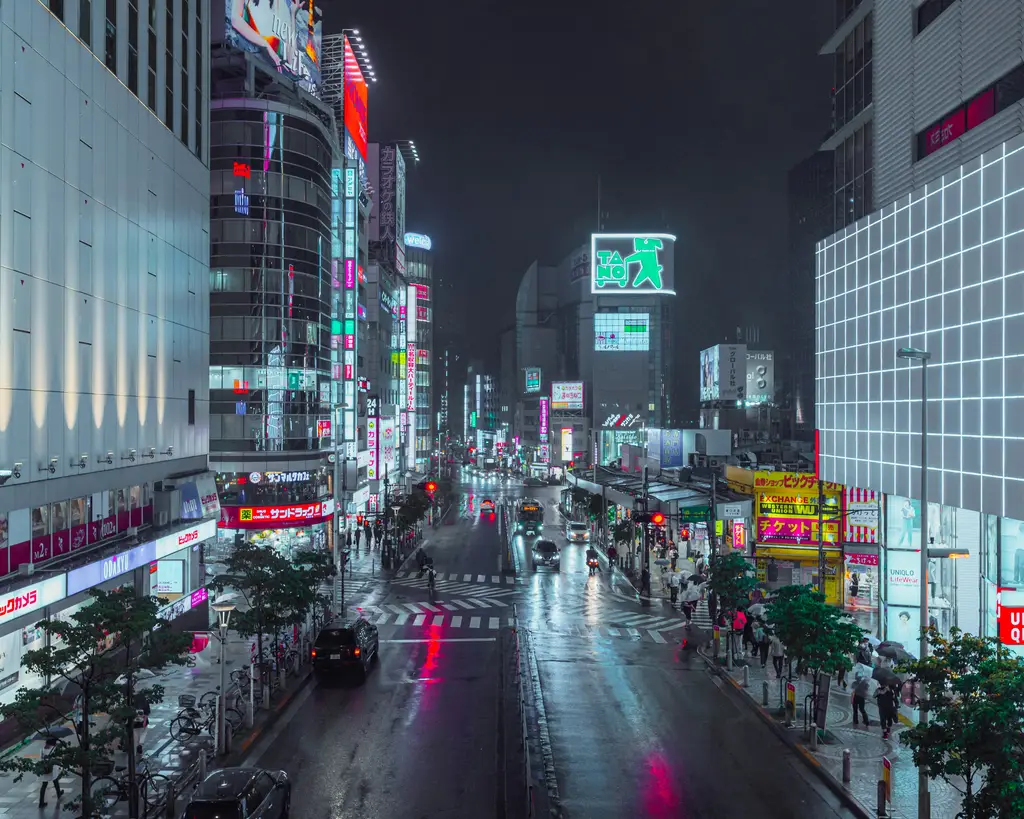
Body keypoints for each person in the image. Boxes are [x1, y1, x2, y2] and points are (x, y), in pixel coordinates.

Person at [38, 737, 63, 807]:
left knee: (44, 785)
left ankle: (41, 802)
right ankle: (59, 794)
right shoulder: (54, 749)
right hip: (53, 769)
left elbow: (40, 760)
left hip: (45, 769)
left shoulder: (42, 750)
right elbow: (58, 759)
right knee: (55, 781)